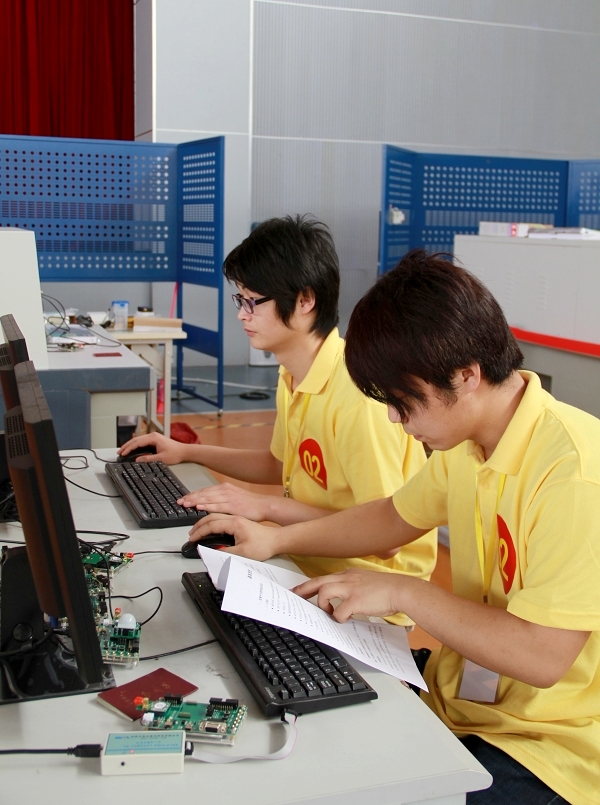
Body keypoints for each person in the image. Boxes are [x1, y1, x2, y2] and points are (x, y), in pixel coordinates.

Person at [190, 250, 599, 805]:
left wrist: (404, 591)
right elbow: (391, 517)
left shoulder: (574, 473)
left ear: (466, 375)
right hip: (466, 693)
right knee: (307, 728)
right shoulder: (470, 444)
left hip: (551, 742)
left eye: (404, 402)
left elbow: (542, 657)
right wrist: (279, 539)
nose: (392, 418)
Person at [120, 217, 437, 625]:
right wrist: (185, 452)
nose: (242, 315)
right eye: (240, 300)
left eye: (253, 302)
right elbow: (279, 464)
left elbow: (385, 537)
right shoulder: (294, 373)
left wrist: (264, 507)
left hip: (368, 600)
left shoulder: (358, 398)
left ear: (305, 301)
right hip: (309, 564)